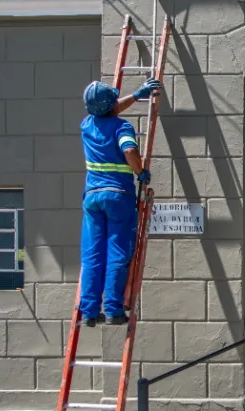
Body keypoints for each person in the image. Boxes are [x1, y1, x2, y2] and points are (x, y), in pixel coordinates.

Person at [78, 78, 162, 327]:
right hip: (118, 197)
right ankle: (113, 310)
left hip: (92, 198)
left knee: (93, 255)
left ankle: (89, 312)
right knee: (117, 253)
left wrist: (136, 95)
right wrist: (140, 172)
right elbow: (129, 151)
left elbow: (110, 109)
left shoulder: (87, 124)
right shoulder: (122, 128)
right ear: (111, 105)